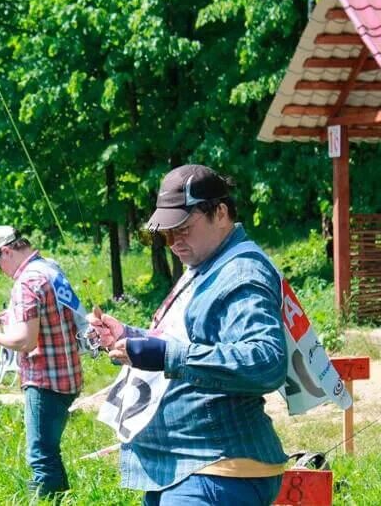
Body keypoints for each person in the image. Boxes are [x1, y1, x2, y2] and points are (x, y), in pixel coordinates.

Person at [89, 164, 288, 505]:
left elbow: (266, 360)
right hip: (188, 468)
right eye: (165, 234)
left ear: (221, 213)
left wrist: (165, 356)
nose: (173, 243)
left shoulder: (241, 271)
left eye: (182, 229)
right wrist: (132, 337)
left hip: (216, 470)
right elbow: (192, 339)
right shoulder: (207, 266)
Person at [0, 226, 83, 498]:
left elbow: (26, 341)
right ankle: (62, 499)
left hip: (44, 379)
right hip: (68, 374)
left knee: (41, 456)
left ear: (6, 251)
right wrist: (13, 314)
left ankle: (49, 500)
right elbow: (53, 314)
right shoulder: (50, 268)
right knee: (49, 451)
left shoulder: (26, 281)